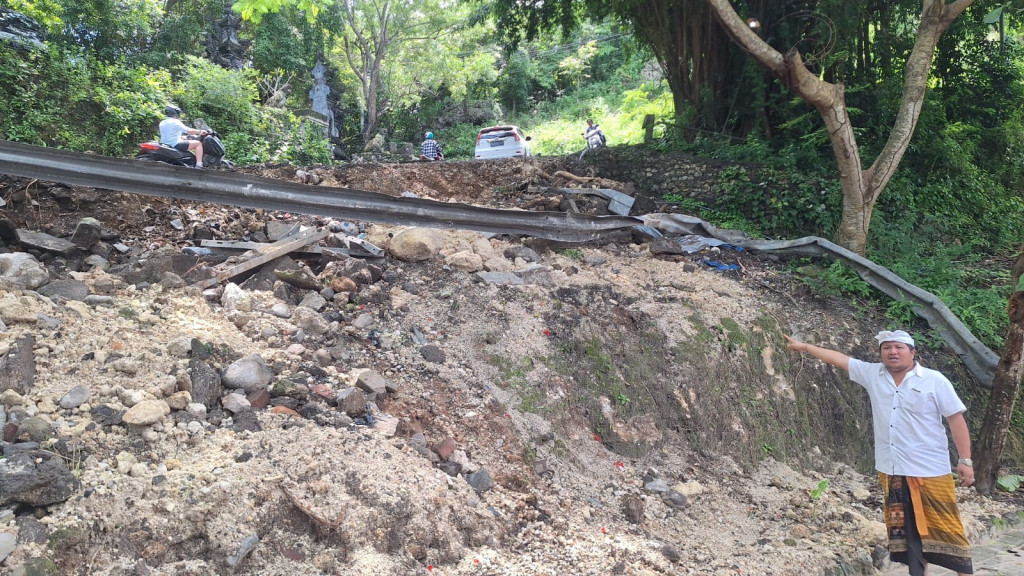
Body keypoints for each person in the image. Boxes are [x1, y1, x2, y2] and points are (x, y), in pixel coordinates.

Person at [785, 330, 973, 576]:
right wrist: (805, 347)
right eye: (887, 348)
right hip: (892, 469)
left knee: (948, 529)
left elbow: (955, 419)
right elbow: (840, 359)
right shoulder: (873, 374)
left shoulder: (934, 380)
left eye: (898, 347)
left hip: (930, 470)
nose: (892, 352)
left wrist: (965, 460)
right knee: (905, 536)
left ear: (913, 352)